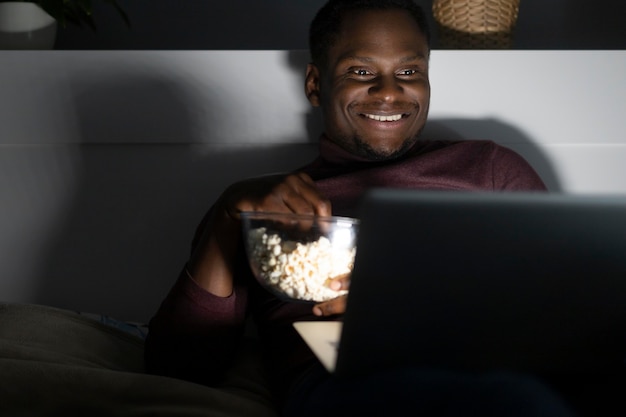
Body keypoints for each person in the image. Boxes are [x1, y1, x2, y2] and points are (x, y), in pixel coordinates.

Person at [145, 1, 576, 416]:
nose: (389, 92)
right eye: (360, 71)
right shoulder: (265, 206)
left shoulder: (489, 168)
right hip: (349, 381)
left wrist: (418, 312)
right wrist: (226, 215)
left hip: (480, 362)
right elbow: (179, 368)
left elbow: (566, 315)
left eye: (409, 71)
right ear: (315, 84)